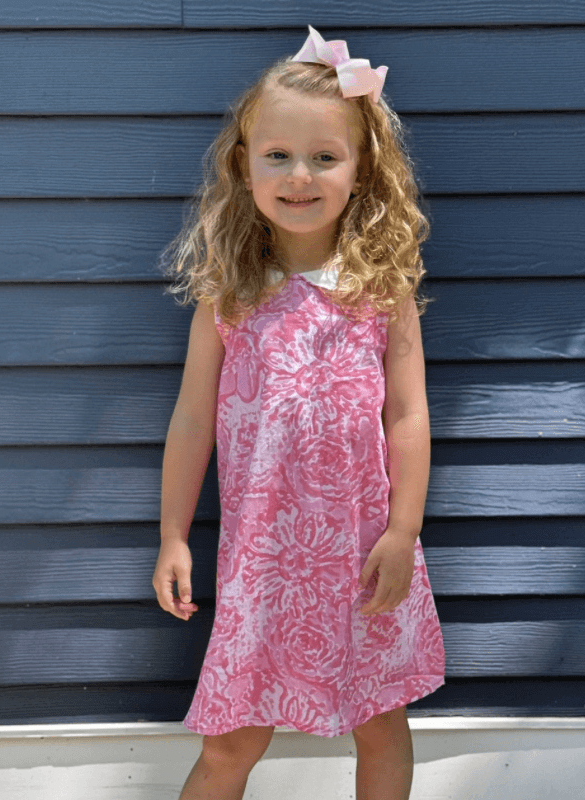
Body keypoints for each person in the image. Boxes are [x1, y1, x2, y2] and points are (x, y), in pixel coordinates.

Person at [152, 25, 446, 800]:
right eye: (277, 155)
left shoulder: (383, 288)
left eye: (325, 156)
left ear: (361, 170)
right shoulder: (229, 291)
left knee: (381, 724)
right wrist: (173, 535)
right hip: (263, 565)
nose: (299, 175)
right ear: (243, 164)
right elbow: (192, 420)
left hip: (362, 555)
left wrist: (403, 529)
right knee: (229, 746)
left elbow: (408, 417)